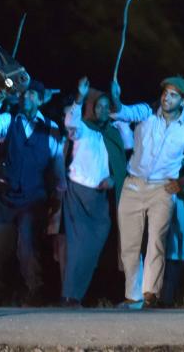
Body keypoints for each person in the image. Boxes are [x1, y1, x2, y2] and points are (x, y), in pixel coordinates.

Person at [110, 75, 184, 308]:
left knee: (157, 241)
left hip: (163, 188)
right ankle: (133, 296)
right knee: (130, 244)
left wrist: (183, 182)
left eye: (173, 95)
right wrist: (115, 96)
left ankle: (150, 292)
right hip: (133, 184)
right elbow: (122, 112)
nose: (166, 97)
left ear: (183, 101)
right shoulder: (146, 112)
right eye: (165, 92)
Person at [0, 79, 66, 306]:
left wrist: (58, 195)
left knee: (28, 247)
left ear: (40, 100)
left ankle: (34, 292)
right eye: (24, 94)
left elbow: (58, 164)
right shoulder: (9, 120)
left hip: (33, 197)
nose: (26, 97)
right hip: (5, 195)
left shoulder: (51, 128)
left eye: (32, 95)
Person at [58, 77, 116, 307]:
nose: (102, 110)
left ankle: (75, 294)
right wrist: (80, 97)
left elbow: (120, 164)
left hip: (99, 198)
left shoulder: (112, 133)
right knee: (78, 246)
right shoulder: (83, 129)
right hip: (78, 193)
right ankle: (69, 296)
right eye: (98, 106)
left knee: (93, 247)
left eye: (105, 106)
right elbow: (71, 121)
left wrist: (112, 179)